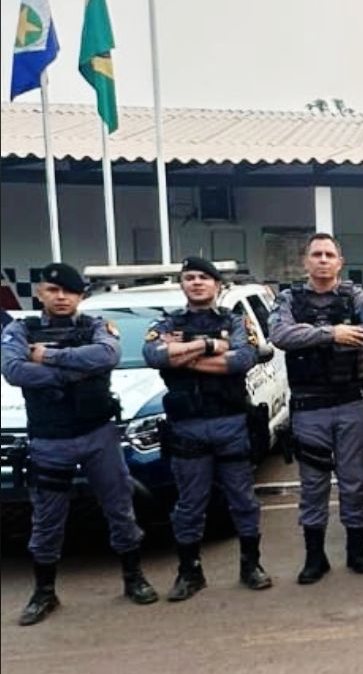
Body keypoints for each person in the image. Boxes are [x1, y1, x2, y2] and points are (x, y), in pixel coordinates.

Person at [1, 263, 158, 626]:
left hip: (97, 434)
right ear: (40, 293)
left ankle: (133, 578)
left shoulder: (96, 326)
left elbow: (106, 356)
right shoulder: (20, 329)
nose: (61, 297)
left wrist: (49, 357)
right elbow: (14, 371)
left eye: (68, 292)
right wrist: (75, 371)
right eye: (53, 290)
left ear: (80, 296)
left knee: (119, 507)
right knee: (47, 519)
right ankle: (44, 593)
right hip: (49, 437)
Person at [142, 257, 272, 600]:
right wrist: (210, 346)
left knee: (243, 500)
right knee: (189, 504)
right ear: (182, 284)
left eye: (204, 277)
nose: (197, 282)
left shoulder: (235, 320)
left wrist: (182, 354)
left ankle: (251, 565)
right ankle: (190, 572)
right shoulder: (165, 322)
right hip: (187, 428)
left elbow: (243, 359)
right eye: (189, 277)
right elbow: (155, 357)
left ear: (217, 285)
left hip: (230, 422)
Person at [269, 233, 363, 584]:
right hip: (310, 407)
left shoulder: (354, 295)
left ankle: (356, 550)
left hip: (351, 403)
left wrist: (333, 332)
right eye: (315, 254)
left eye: (328, 254)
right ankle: (315, 557)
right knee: (313, 484)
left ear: (339, 262)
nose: (322, 260)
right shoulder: (288, 298)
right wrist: (331, 333)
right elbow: (281, 336)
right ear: (305, 261)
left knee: (354, 482)